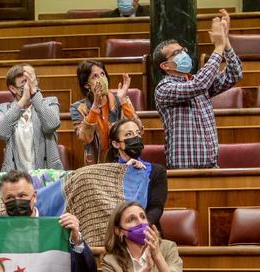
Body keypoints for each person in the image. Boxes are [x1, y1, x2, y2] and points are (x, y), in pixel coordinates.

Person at [154, 9, 242, 169]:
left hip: (211, 167)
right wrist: (218, 46)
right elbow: (198, 85)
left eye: (183, 50)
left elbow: (234, 75)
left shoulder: (196, 80)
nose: (183, 54)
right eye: (176, 53)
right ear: (165, 65)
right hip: (184, 171)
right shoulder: (164, 88)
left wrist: (226, 42)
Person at [0, 64, 63, 172]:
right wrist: (22, 101)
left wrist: (35, 94)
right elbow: (1, 132)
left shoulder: (49, 103)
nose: (30, 85)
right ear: (13, 88)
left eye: (32, 80)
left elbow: (51, 125)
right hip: (15, 178)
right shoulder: (4, 109)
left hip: (47, 175)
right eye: (24, 82)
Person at [70, 60, 140, 165]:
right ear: (86, 85)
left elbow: (138, 129)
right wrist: (95, 107)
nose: (101, 79)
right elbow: (85, 137)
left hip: (123, 161)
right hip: (95, 164)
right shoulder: (78, 108)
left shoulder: (120, 99)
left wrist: (123, 100)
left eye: (102, 74)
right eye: (95, 76)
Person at [105, 118, 167, 232]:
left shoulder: (157, 171)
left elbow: (156, 208)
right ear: (116, 143)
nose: (136, 137)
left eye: (138, 133)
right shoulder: (107, 172)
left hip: (147, 231)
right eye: (129, 134)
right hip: (117, 232)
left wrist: (140, 227)